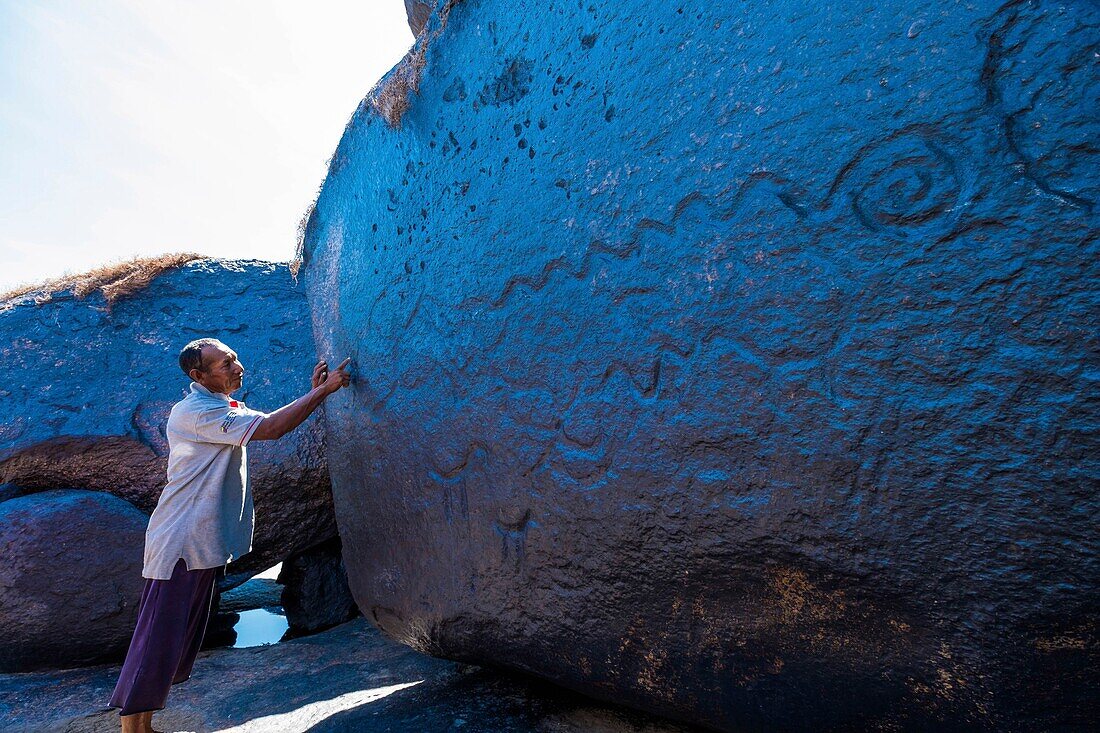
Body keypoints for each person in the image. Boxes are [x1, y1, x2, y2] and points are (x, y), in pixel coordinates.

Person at [108, 337, 351, 733]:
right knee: (159, 636)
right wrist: (325, 391)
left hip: (198, 544)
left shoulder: (219, 406)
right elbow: (270, 429)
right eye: (225, 364)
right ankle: (132, 729)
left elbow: (271, 420)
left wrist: (313, 395)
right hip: (181, 544)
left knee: (174, 636)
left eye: (235, 358)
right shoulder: (195, 413)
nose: (237, 367)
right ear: (198, 375)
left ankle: (142, 725)